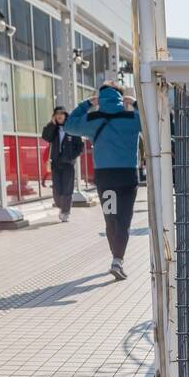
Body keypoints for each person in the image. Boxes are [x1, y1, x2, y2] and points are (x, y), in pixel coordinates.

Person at [64, 82, 140, 280]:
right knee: (124, 220)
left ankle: (116, 259)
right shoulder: (132, 117)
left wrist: (86, 104)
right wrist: (136, 104)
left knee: (111, 219)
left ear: (100, 97)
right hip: (127, 177)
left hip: (106, 177)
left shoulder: (93, 119)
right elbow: (156, 122)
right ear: (121, 98)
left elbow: (69, 125)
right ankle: (117, 260)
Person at [41, 105, 82, 221]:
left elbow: (80, 146)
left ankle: (66, 212)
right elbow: (45, 137)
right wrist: (51, 124)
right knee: (57, 190)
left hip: (68, 164)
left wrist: (72, 157)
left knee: (67, 189)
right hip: (55, 164)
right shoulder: (53, 129)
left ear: (65, 116)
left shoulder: (72, 129)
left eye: (61, 114)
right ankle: (61, 205)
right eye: (57, 114)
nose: (59, 116)